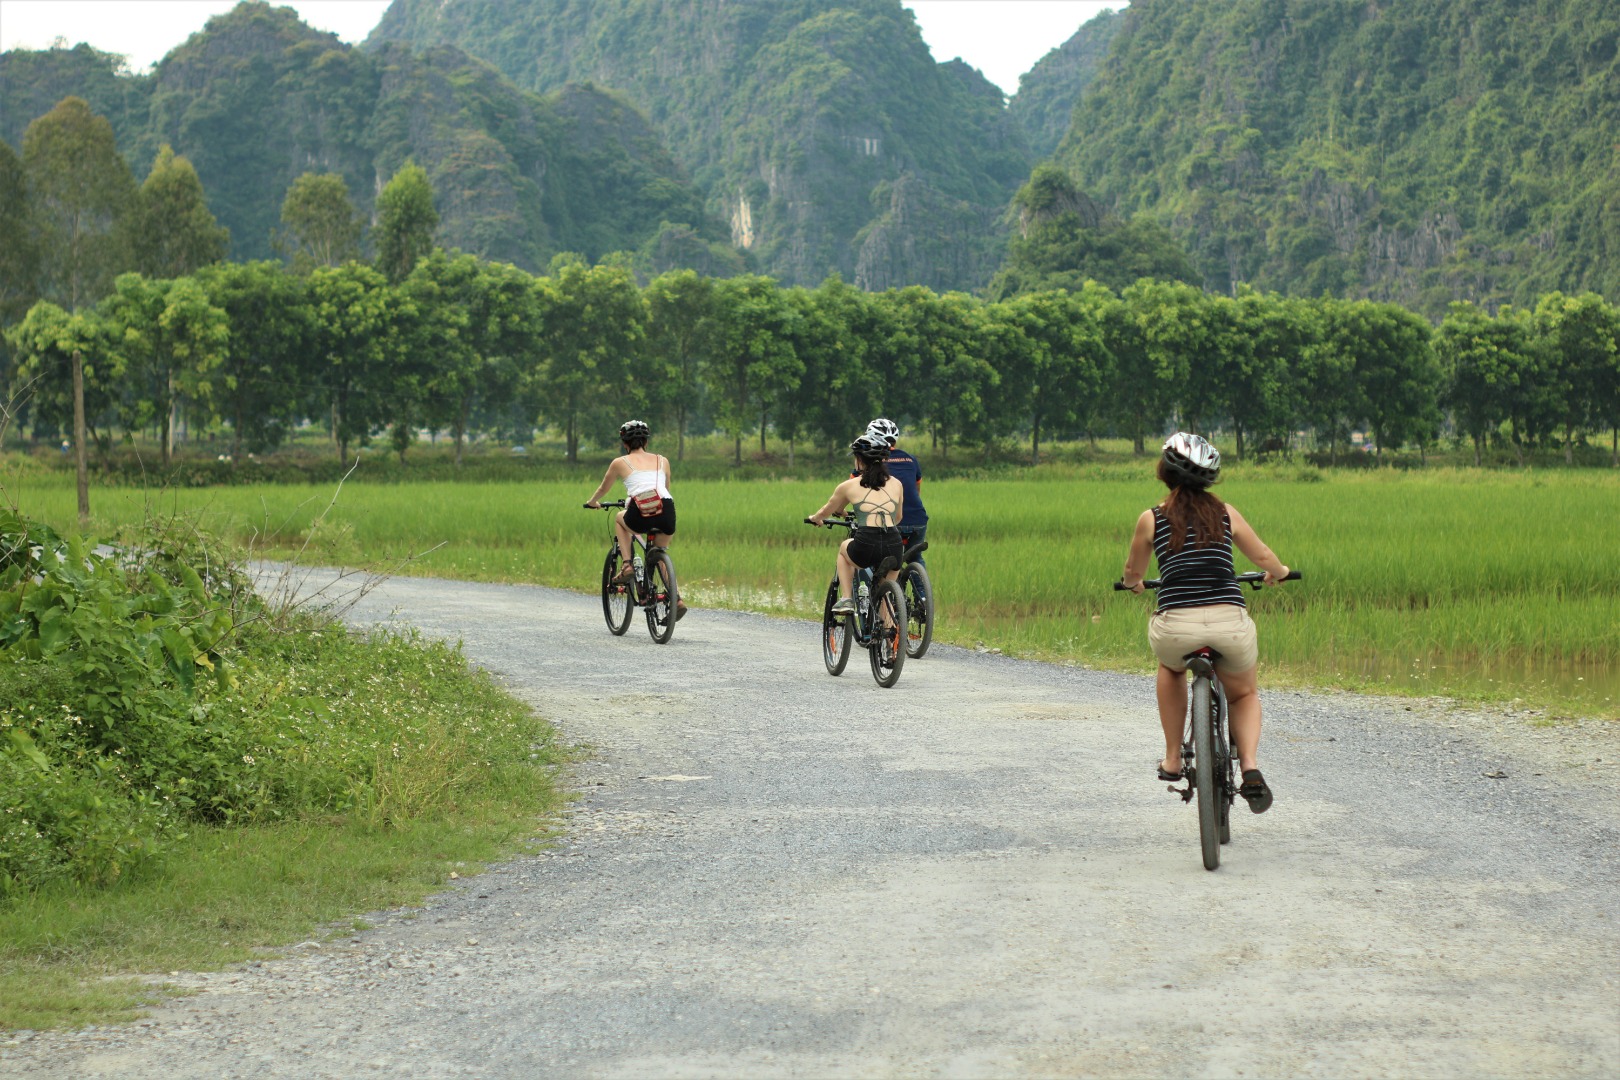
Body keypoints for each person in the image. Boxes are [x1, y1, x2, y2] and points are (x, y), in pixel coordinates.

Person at [1120, 432, 1289, 813]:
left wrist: (1134, 585)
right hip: (1229, 622)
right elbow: (1262, 555)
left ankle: (1172, 759)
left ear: (1165, 472)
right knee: (1243, 693)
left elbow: (1133, 571)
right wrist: (1278, 572)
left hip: (1176, 625)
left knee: (1171, 667)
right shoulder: (1225, 513)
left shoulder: (1152, 518)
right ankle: (1250, 767)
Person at [585, 419, 687, 619]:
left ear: (625, 444)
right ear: (646, 442)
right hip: (666, 510)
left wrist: (592, 502)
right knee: (659, 554)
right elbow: (666, 487)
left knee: (619, 518)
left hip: (640, 511)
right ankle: (677, 599)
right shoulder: (662, 460)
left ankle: (627, 564)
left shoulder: (619, 462)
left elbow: (603, 488)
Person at [810, 434, 905, 615]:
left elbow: (826, 510)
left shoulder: (848, 486)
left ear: (859, 460)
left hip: (866, 543)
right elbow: (898, 517)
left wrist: (816, 518)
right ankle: (893, 636)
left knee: (844, 549)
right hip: (894, 544)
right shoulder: (897, 484)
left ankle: (846, 598)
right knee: (885, 600)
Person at [860, 418, 928, 562]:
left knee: (875, 555)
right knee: (915, 557)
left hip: (890, 520)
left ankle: (882, 584)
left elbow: (855, 490)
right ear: (895, 440)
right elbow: (916, 491)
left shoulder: (870, 460)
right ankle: (921, 584)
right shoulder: (911, 459)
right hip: (918, 519)